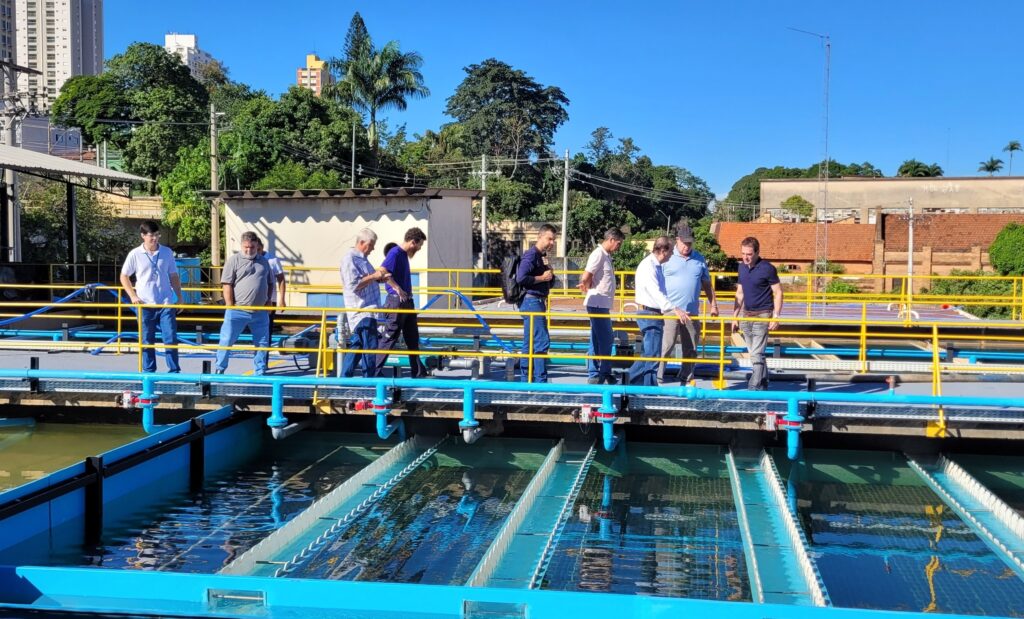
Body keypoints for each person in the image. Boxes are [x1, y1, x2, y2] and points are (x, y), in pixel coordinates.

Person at [119, 221, 184, 373]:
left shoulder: (167, 252)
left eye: (157, 235)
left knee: (170, 337)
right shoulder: (135, 254)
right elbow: (124, 276)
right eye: (151, 236)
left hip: (165, 302)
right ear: (143, 236)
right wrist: (133, 296)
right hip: (144, 303)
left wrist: (179, 297)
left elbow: (173, 275)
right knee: (147, 339)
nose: (154, 238)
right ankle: (149, 371)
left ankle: (174, 370)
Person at [659, 221, 719, 385]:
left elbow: (707, 284)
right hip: (670, 310)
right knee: (667, 345)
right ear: (677, 240)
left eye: (690, 243)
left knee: (691, 347)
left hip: (691, 311)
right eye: (684, 243)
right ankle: (657, 376)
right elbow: (656, 282)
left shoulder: (699, 259)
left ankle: (686, 375)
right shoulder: (667, 257)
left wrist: (713, 305)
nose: (687, 246)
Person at [628, 236, 688, 386]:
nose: (672, 254)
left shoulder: (655, 266)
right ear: (662, 250)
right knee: (652, 354)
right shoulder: (649, 266)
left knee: (650, 353)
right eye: (671, 251)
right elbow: (655, 292)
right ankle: (635, 383)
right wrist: (674, 308)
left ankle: (639, 383)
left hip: (653, 312)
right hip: (649, 313)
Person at [216, 231, 274, 375]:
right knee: (226, 340)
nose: (249, 250)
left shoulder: (264, 261)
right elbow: (227, 284)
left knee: (262, 343)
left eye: (252, 247)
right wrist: (230, 306)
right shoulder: (233, 260)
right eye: (246, 247)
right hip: (237, 310)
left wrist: (268, 300)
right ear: (241, 245)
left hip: (260, 311)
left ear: (257, 246)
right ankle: (219, 369)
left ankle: (260, 371)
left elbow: (270, 282)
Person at [339, 228, 393, 377]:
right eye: (371, 245)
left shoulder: (362, 259)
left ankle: (344, 378)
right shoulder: (350, 259)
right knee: (370, 346)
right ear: (362, 242)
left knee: (358, 345)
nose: (373, 248)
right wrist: (374, 276)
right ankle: (370, 379)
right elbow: (353, 285)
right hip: (362, 310)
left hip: (367, 310)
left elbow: (365, 280)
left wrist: (378, 278)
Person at [732, 236, 783, 390]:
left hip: (763, 314)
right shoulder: (741, 267)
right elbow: (740, 293)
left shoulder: (767, 268)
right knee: (755, 352)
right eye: (743, 253)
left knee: (756, 353)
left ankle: (753, 386)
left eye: (749, 254)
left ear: (757, 252)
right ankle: (764, 381)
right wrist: (734, 317)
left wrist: (776, 316)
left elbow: (778, 292)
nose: (745, 257)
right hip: (746, 314)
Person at [376, 227, 428, 377]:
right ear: (413, 242)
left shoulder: (403, 255)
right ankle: (374, 372)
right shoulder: (395, 253)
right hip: (396, 302)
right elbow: (382, 271)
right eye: (419, 245)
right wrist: (396, 287)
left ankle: (418, 371)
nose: (419, 248)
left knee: (412, 337)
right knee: (390, 337)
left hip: (407, 301)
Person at [578, 227, 624, 384]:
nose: (618, 247)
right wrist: (585, 284)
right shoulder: (598, 254)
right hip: (597, 303)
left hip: (601, 303)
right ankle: (601, 372)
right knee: (606, 338)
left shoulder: (605, 256)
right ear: (611, 240)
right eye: (618, 243)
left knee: (596, 338)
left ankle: (596, 373)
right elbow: (587, 274)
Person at [515, 224, 557, 383]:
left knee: (530, 342)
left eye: (553, 240)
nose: (552, 243)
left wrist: (549, 275)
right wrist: (542, 278)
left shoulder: (541, 256)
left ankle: (526, 379)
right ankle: (540, 380)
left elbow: (548, 282)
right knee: (541, 341)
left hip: (534, 301)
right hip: (532, 301)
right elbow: (521, 277)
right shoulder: (532, 255)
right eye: (549, 239)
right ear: (540, 237)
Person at [256, 238, 286, 333]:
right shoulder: (250, 259)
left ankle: (266, 342)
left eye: (258, 249)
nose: (257, 252)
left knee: (267, 328)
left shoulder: (273, 260)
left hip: (270, 299)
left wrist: (282, 299)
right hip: (253, 300)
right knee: (255, 327)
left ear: (262, 247)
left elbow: (281, 279)